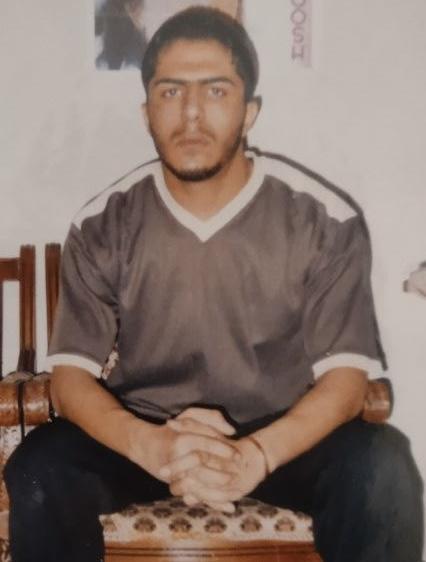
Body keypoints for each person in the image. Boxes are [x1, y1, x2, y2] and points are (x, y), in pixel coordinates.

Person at [5, 7, 423, 562]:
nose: (192, 114)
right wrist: (153, 446)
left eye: (216, 91)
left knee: (382, 468)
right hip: (147, 434)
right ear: (146, 112)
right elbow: (69, 379)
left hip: (283, 436)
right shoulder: (103, 223)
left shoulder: (323, 219)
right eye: (171, 92)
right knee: (40, 467)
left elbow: (347, 380)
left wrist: (256, 454)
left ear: (250, 112)